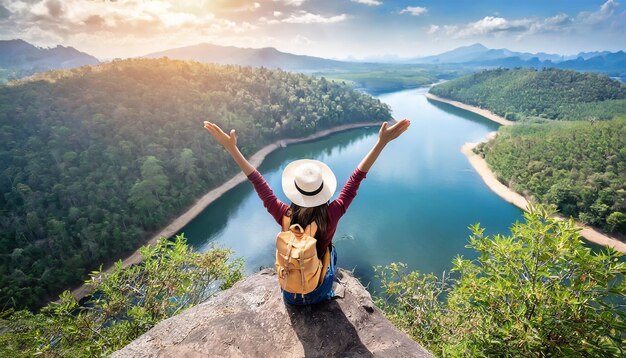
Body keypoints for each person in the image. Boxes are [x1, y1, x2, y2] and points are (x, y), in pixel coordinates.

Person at [204, 119, 410, 304]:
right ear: (323, 191)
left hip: (289, 293)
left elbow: (257, 181)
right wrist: (381, 142)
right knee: (331, 249)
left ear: (295, 192)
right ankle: (329, 291)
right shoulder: (332, 213)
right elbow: (356, 178)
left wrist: (231, 148)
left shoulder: (283, 214)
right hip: (316, 292)